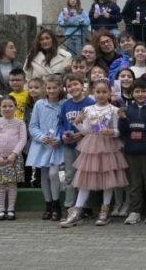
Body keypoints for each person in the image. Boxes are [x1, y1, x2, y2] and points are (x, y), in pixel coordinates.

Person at [59, 78, 128, 228]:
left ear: (110, 93)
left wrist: (110, 131)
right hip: (91, 145)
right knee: (85, 177)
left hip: (108, 146)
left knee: (108, 177)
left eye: (104, 92)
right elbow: (87, 131)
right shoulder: (88, 110)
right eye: (98, 92)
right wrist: (77, 123)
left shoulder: (114, 110)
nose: (101, 95)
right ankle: (77, 211)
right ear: (93, 93)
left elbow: (118, 131)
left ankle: (105, 209)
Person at [117, 78, 146, 225]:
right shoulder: (126, 109)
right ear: (131, 93)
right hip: (132, 152)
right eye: (137, 91)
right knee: (134, 184)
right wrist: (123, 120)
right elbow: (122, 132)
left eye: (144, 91)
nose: (141, 94)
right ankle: (135, 211)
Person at [26, 75, 65, 222]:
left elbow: (67, 124)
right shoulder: (39, 105)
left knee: (54, 173)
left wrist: (60, 138)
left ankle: (57, 205)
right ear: (45, 89)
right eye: (49, 88)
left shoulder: (64, 104)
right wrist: (41, 137)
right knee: (44, 175)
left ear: (61, 88)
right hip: (43, 145)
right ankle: (48, 205)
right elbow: (33, 126)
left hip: (57, 145)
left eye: (55, 87)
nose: (52, 90)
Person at [57, 74, 95, 216]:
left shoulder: (90, 103)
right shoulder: (66, 105)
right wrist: (63, 135)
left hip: (85, 144)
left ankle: (85, 206)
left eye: (75, 84)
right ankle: (69, 205)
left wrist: (83, 134)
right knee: (69, 175)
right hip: (69, 145)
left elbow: (95, 124)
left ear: (82, 85)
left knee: (84, 175)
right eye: (70, 85)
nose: (73, 88)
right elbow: (60, 123)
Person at [0, 96, 27, 221]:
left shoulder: (20, 123)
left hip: (14, 159)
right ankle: (1, 210)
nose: (7, 108)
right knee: (1, 184)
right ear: (0, 107)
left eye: (10, 106)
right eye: (4, 106)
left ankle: (10, 209)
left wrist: (14, 154)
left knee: (11, 184)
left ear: (15, 107)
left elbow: (22, 139)